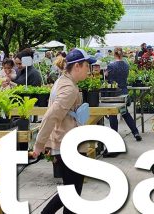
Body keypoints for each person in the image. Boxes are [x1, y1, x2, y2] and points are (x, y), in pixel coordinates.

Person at [33, 48, 94, 214]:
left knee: (71, 191)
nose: (89, 71)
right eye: (87, 66)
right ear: (77, 67)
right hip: (68, 145)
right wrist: (39, 144)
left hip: (64, 141)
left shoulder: (63, 81)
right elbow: (51, 115)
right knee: (72, 192)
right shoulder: (69, 89)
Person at [105, 47, 142, 141]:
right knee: (125, 113)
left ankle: (114, 136)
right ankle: (135, 132)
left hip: (113, 92)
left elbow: (107, 79)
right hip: (124, 91)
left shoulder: (110, 66)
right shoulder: (126, 65)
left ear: (114, 54)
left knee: (113, 114)